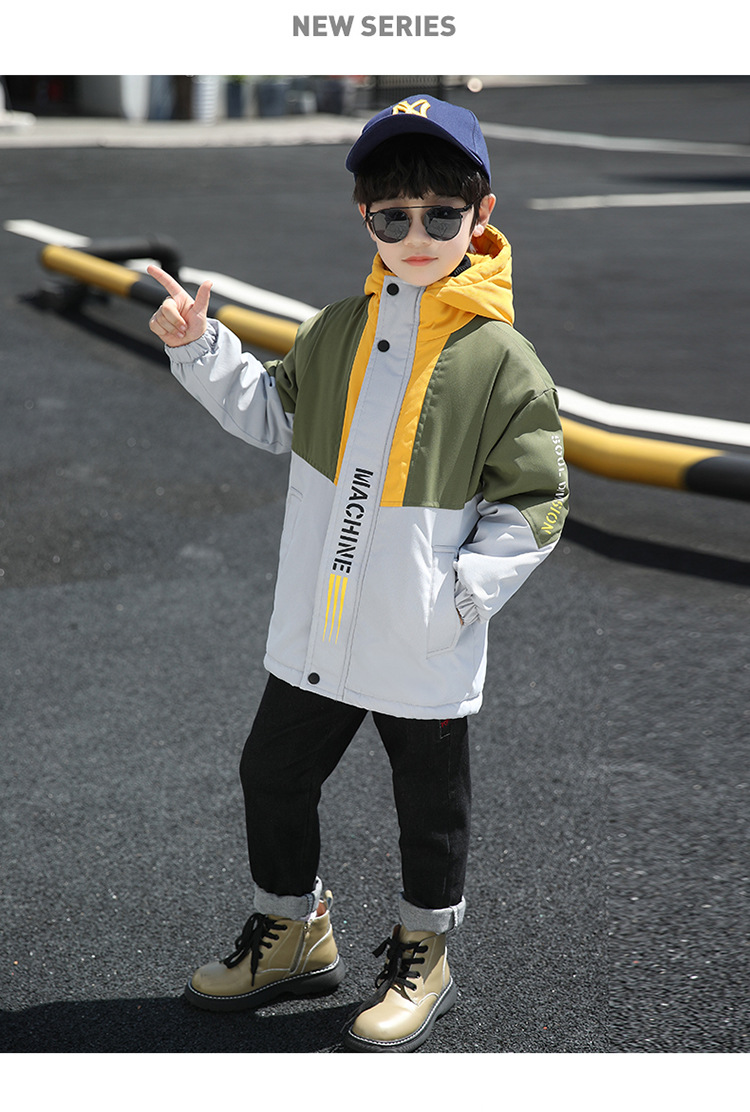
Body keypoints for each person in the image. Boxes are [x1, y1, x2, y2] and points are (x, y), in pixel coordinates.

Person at [147, 93, 569, 1052]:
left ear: (481, 216)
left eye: (441, 217)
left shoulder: (502, 359)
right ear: (365, 219)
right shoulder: (338, 328)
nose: (416, 237)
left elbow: (535, 501)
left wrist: (455, 597)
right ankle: (294, 931)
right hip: (321, 625)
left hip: (419, 634)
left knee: (429, 808)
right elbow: (273, 414)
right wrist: (198, 348)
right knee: (272, 773)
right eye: (392, 216)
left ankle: (426, 952)